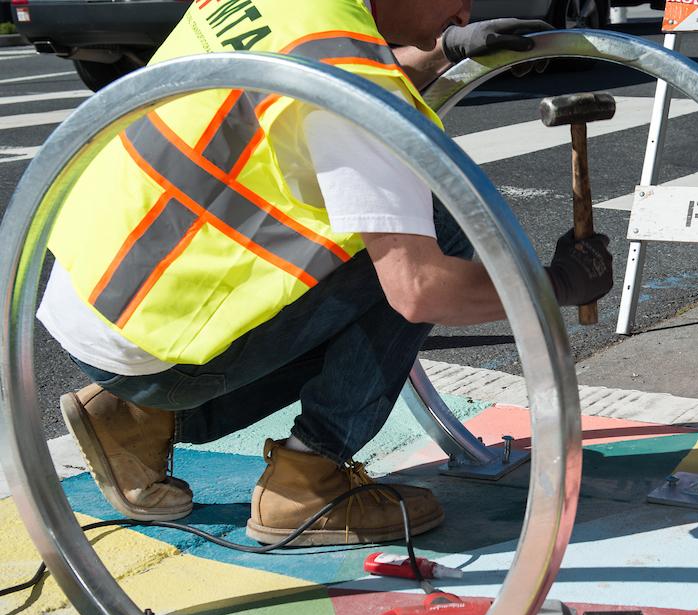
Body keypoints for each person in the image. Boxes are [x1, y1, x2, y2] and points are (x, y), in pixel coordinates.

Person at [37, 0, 614, 545]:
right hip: (161, 350)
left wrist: (440, 52)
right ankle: (306, 483)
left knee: (378, 242)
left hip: (97, 303)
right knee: (433, 235)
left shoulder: (291, 12)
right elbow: (421, 291)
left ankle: (132, 417)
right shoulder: (357, 85)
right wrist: (559, 284)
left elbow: (327, 72)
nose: (465, 10)